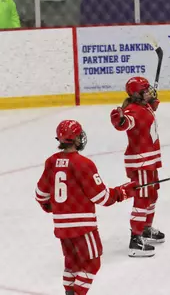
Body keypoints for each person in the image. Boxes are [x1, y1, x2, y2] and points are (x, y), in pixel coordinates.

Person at [35, 120, 138, 295]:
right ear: (74, 139)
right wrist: (124, 192)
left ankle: (69, 292)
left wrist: (52, 207)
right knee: (92, 262)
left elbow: (40, 195)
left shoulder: (51, 162)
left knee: (71, 263)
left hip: (61, 226)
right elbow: (102, 197)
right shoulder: (83, 163)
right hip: (83, 226)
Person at [110, 76, 163, 257]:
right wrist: (119, 120)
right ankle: (136, 238)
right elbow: (125, 123)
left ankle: (146, 228)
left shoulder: (143, 106)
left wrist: (150, 107)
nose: (149, 92)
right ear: (136, 94)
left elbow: (145, 116)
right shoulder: (133, 110)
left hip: (149, 159)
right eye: (145, 90)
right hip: (141, 162)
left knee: (152, 194)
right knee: (142, 198)